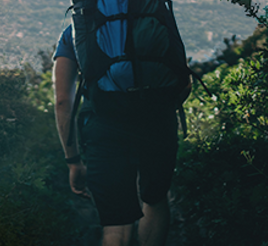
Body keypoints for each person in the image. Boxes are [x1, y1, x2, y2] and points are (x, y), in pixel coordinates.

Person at [53, 22, 189, 246]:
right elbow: (184, 83)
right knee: (155, 200)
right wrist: (158, 114)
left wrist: (73, 161)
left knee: (117, 220)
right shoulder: (155, 18)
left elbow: (62, 101)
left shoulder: (77, 28)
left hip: (104, 128)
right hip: (156, 122)